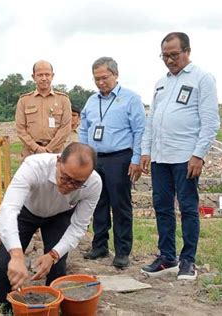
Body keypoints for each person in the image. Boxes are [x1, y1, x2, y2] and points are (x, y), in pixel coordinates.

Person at [140, 32, 220, 280]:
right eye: (165, 56)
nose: (169, 60)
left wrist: (198, 154)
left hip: (186, 156)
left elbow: (210, 122)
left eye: (174, 55)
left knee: (187, 208)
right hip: (160, 157)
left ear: (187, 51)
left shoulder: (202, 79)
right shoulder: (160, 83)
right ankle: (167, 258)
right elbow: (152, 120)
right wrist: (146, 150)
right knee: (162, 207)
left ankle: (188, 261)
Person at [0, 143, 102, 312]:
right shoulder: (34, 166)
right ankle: (4, 310)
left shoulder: (94, 184)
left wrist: (53, 255)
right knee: (4, 267)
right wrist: (16, 255)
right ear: (58, 161)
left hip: (59, 215)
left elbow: (78, 226)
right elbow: (9, 209)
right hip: (27, 212)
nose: (68, 185)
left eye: (77, 183)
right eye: (65, 177)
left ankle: (51, 310)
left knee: (57, 268)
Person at [80, 57, 146, 269]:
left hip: (119, 157)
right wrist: (83, 154)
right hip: (95, 158)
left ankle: (122, 251)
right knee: (97, 203)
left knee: (120, 205)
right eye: (96, 79)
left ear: (115, 75)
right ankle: (99, 245)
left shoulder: (130, 99)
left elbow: (139, 130)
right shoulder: (91, 101)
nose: (101, 82)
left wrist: (136, 158)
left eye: (104, 77)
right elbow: (84, 128)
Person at [15, 60, 72, 158]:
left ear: (52, 76)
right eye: (40, 75)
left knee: (56, 174)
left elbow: (65, 128)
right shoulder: (24, 100)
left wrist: (49, 148)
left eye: (47, 74)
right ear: (33, 77)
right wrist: (36, 148)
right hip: (31, 153)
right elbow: (20, 129)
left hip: (55, 153)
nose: (44, 78)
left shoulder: (63, 100)